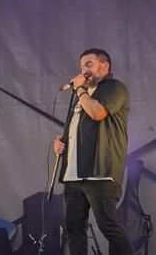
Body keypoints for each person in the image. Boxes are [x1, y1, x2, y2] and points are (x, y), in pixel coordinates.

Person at [53, 48, 132, 255]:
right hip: (73, 174)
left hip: (100, 172)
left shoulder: (115, 88)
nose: (83, 71)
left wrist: (80, 89)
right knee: (74, 229)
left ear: (104, 65)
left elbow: (97, 113)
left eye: (89, 64)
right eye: (81, 67)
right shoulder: (82, 96)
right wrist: (61, 144)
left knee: (108, 225)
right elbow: (77, 130)